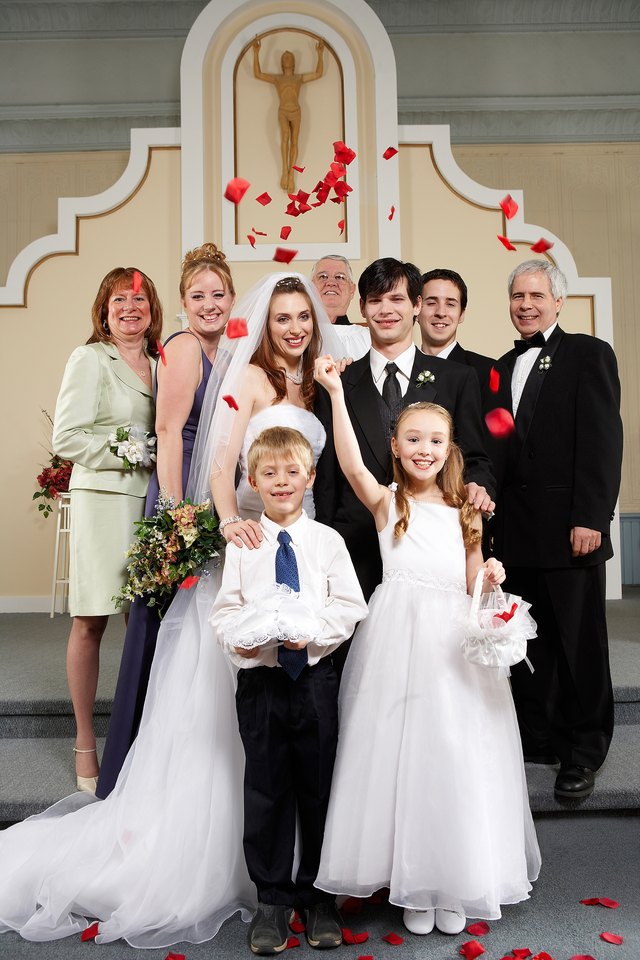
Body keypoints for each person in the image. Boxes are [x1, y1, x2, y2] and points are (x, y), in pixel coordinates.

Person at [0, 273, 345, 948]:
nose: (295, 328)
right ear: (265, 325)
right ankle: (239, 867)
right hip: (246, 550)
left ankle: (304, 870)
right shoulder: (244, 379)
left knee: (297, 712)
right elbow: (219, 462)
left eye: (304, 316)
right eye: (283, 318)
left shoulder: (316, 388)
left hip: (302, 558)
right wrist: (227, 523)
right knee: (224, 709)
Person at [312, 358, 541, 933]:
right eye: (413, 439)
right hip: (397, 639)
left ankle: (453, 880)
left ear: (449, 448)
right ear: (395, 444)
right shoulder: (390, 502)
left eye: (435, 440)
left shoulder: (465, 506)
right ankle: (413, 883)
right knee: (401, 751)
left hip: (452, 642)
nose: (424, 449)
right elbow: (347, 460)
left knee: (454, 752)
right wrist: (337, 393)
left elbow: (468, 577)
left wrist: (487, 572)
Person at [211, 426, 367, 955]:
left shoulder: (327, 542)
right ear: (253, 481)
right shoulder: (244, 545)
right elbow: (225, 613)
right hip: (262, 683)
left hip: (316, 679)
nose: (281, 482)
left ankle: (318, 895)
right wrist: (248, 646)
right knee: (267, 787)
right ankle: (272, 898)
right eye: (270, 474)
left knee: (318, 784)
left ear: (310, 477)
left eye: (292, 472)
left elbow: (350, 605)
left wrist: (314, 634)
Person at [96, 243, 235, 799]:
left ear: (230, 297)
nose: (209, 304)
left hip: (219, 484)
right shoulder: (182, 347)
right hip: (183, 490)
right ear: (182, 303)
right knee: (164, 625)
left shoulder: (231, 347)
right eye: (198, 295)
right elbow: (171, 433)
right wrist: (176, 514)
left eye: (218, 294)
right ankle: (140, 763)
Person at [492, 260, 623, 800]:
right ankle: (540, 738)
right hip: (516, 535)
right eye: (518, 295)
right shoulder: (500, 367)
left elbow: (601, 440)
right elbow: (500, 450)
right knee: (528, 645)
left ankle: (584, 750)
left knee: (578, 645)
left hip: (572, 530)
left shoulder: (588, 353)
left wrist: (591, 516)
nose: (526, 304)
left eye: (536, 295)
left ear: (558, 301)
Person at [314, 257, 495, 602]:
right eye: (376, 300)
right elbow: (328, 478)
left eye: (397, 299)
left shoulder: (456, 379)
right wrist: (326, 545)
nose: (386, 310)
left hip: (431, 548)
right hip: (356, 544)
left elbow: (475, 456)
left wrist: (478, 487)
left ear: (415, 306)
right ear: (363, 308)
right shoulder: (338, 383)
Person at [51, 267, 162, 793]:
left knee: (141, 625)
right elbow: (67, 437)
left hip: (153, 504)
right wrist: (127, 450)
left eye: (139, 301)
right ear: (104, 308)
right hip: (103, 504)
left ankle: (135, 739)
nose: (130, 309)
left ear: (152, 309)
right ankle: (85, 742)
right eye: (120, 300)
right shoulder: (90, 358)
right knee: (92, 621)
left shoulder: (164, 361)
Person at [253, 38, 324, 192]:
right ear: (281, 63)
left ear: (293, 62)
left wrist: (320, 54)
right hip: (283, 111)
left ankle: (291, 175)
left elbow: (318, 73)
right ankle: (284, 172)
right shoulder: (278, 79)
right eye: (285, 57)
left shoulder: (298, 78)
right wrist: (256, 53)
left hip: (296, 111)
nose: (287, 58)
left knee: (294, 142)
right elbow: (258, 74)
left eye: (289, 57)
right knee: (285, 138)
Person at [418, 268, 495, 407]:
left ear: (462, 314)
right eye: (431, 303)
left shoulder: (488, 371)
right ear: (416, 310)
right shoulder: (398, 370)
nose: (441, 312)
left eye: (450, 304)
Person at [311, 255, 371, 360]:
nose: (331, 283)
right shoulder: (297, 336)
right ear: (310, 287)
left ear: (352, 290)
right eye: (323, 276)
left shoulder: (369, 338)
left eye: (340, 277)